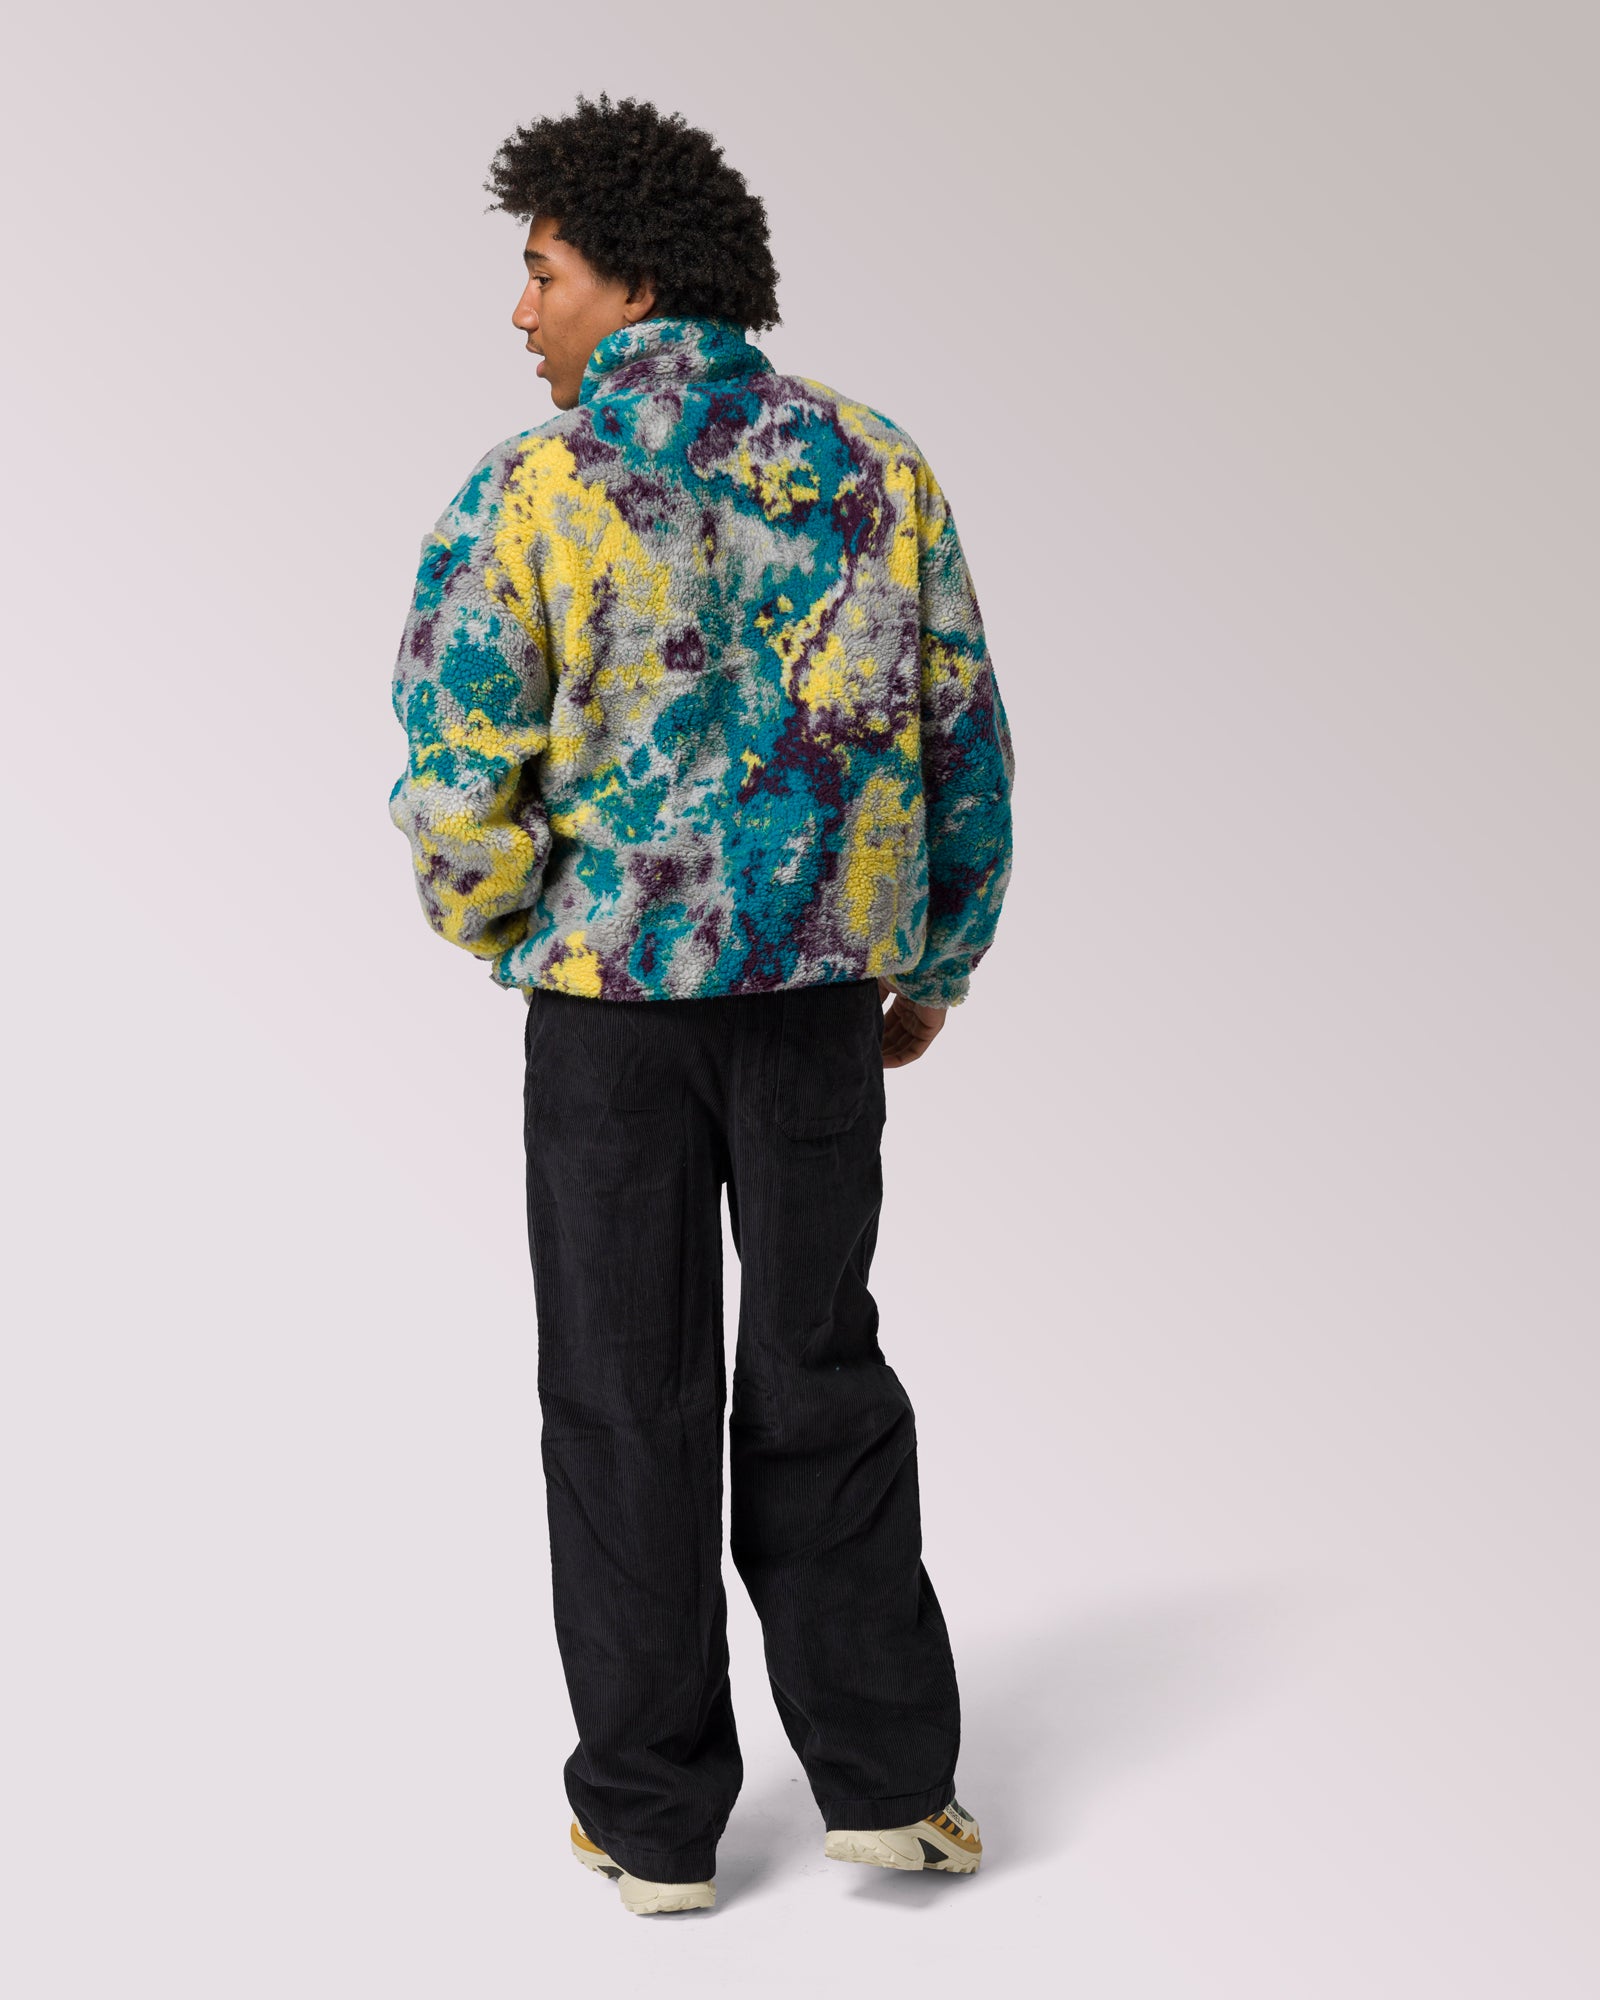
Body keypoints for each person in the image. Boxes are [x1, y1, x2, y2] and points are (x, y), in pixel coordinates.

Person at [388, 92, 1014, 1916]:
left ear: (635, 280)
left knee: (618, 1395)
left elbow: (454, 774)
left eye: (543, 272)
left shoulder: (529, 488)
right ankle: (889, 1789)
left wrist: (515, 926)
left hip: (608, 1024)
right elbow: (962, 743)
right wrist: (934, 960)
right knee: (820, 1369)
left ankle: (655, 1823)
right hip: (816, 1005)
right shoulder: (876, 467)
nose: (522, 312)